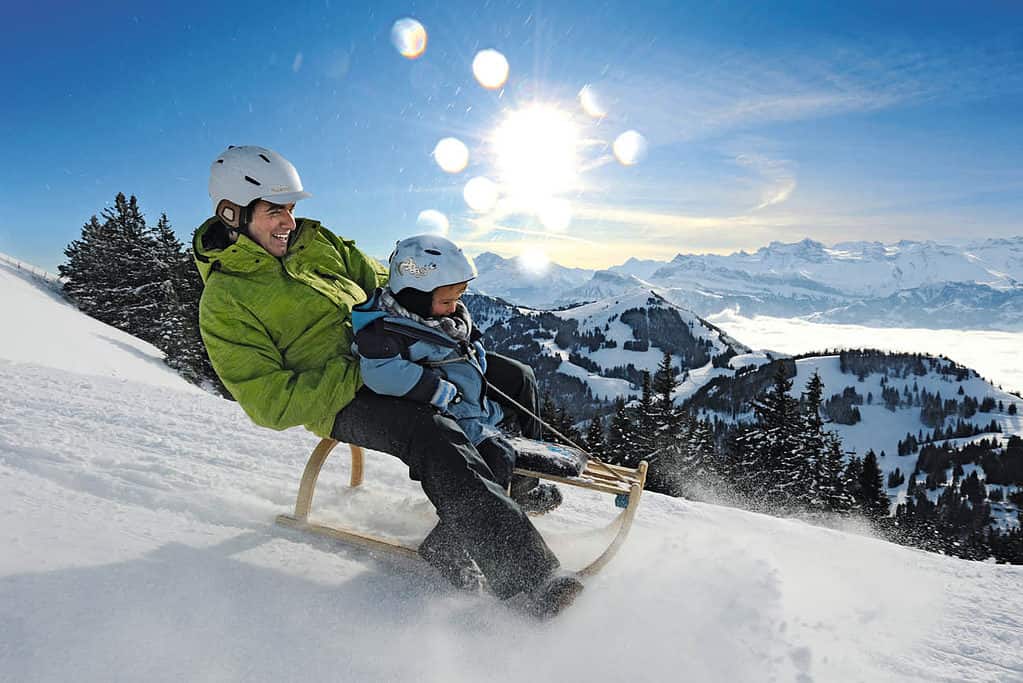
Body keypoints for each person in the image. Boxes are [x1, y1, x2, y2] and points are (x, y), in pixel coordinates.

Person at [193, 145, 582, 618]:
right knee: (432, 431)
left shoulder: (319, 244)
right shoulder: (226, 299)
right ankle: (530, 580)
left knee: (513, 378)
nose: (289, 223)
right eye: (275, 211)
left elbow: (386, 279)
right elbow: (266, 401)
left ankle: (507, 488)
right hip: (341, 396)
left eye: (291, 209)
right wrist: (358, 370)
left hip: (396, 353)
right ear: (232, 212)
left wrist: (428, 305)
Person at [350, 234, 563, 518]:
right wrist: (433, 388)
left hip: (468, 397)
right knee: (496, 456)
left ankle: (524, 488)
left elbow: (465, 343)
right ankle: (458, 537)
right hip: (445, 409)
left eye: (458, 298)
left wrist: (478, 361)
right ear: (415, 294)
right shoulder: (386, 330)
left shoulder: (442, 317)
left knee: (520, 378)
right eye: (447, 300)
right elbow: (381, 372)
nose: (454, 307)